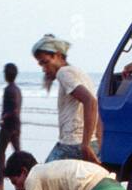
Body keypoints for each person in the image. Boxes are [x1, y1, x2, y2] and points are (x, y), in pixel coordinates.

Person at [32, 34, 100, 164]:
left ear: (57, 55)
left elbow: (91, 102)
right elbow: (97, 109)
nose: (44, 69)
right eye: (41, 64)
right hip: (90, 143)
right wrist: (96, 143)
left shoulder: (63, 73)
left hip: (72, 144)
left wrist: (84, 145)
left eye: (45, 62)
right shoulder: (79, 73)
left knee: (40, 177)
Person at [0, 62, 22, 189]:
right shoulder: (17, 90)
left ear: (6, 74)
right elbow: (16, 109)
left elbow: (13, 109)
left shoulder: (8, 90)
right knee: (19, 154)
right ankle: (29, 178)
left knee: (1, 155)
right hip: (17, 125)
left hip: (8, 126)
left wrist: (3, 118)